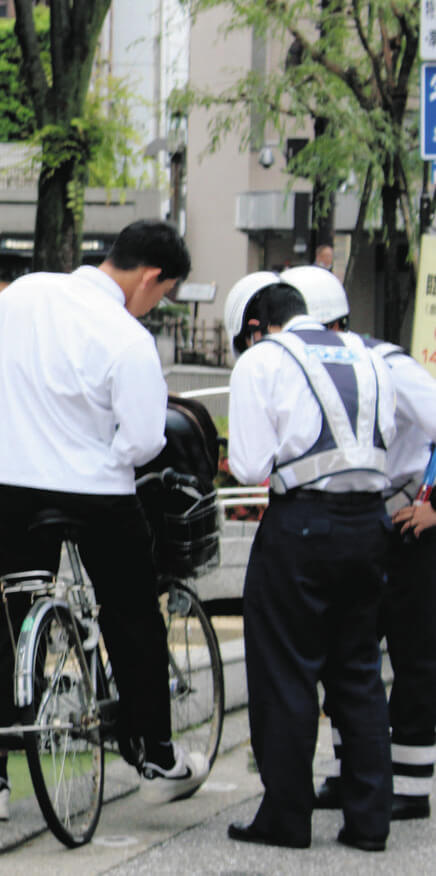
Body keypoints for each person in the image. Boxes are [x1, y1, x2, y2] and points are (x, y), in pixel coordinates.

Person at [0, 219, 209, 821]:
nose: (155, 307)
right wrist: (103, 454)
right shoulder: (126, 338)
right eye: (163, 294)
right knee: (131, 616)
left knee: (10, 622)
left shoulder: (18, 297)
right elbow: (146, 438)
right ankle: (156, 758)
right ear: (151, 278)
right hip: (98, 494)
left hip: (14, 489)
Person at [225, 278, 395, 851]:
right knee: (359, 673)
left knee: (286, 671)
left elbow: (250, 466)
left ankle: (287, 818)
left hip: (302, 524)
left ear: (256, 326)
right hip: (370, 523)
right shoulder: (367, 353)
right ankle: (370, 822)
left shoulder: (264, 360)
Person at [282, 264, 436, 822]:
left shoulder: (390, 366)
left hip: (409, 525)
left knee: (416, 656)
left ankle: (411, 783)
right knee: (349, 655)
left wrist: (435, 506)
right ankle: (358, 774)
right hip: (361, 524)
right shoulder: (306, 367)